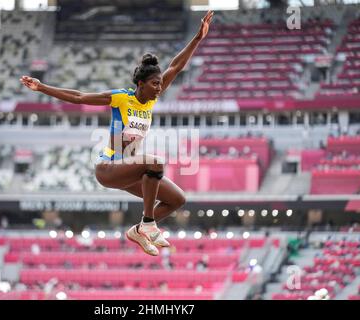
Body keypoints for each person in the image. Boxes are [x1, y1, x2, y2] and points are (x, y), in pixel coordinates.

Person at [20, 11, 214, 256]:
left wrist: (197, 38)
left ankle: (138, 230)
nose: (160, 87)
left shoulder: (151, 100)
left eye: (160, 84)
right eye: (155, 83)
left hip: (130, 171)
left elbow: (176, 66)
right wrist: (41, 87)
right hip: (109, 167)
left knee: (177, 200)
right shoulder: (122, 98)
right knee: (154, 163)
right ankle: (148, 223)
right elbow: (79, 96)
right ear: (141, 84)